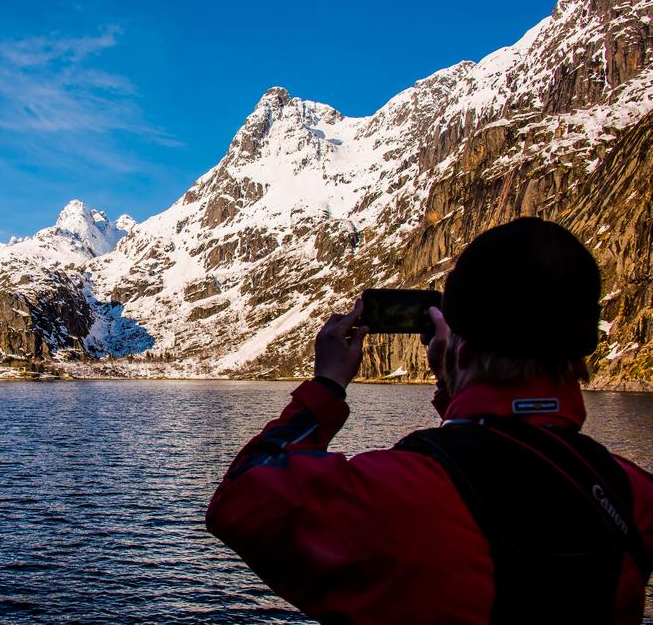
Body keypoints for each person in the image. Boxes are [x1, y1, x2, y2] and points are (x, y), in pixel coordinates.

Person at [206, 218, 653, 624]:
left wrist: (327, 385)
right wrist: (457, 386)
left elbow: (241, 499)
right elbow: (514, 444)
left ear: (460, 348)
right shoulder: (633, 493)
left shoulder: (401, 493)